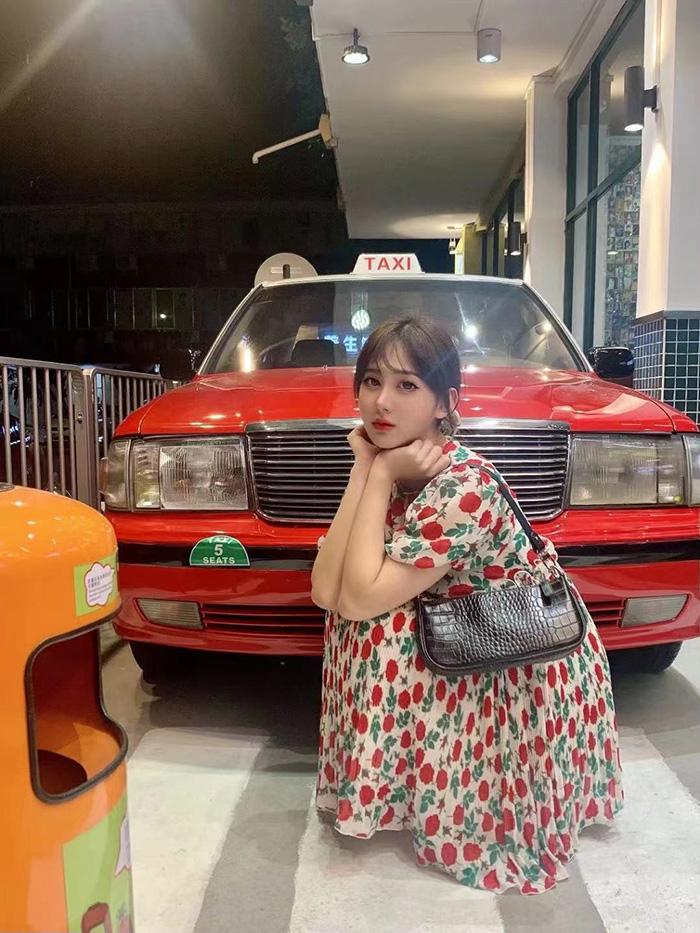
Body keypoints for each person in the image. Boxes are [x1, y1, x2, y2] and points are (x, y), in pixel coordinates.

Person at [311, 315, 623, 895]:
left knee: (377, 622)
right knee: (366, 616)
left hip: (514, 661)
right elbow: (325, 591)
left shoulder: (460, 485)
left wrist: (379, 474)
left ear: (445, 403)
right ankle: (405, 786)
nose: (381, 402)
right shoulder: (401, 462)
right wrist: (365, 469)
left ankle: (468, 793)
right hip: (459, 641)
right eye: (371, 381)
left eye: (407, 385)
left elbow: (356, 599)